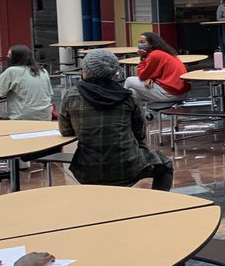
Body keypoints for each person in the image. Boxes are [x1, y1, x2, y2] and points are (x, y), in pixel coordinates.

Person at [59, 49, 174, 190]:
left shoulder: (71, 96)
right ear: (113, 73)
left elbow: (65, 130)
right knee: (166, 165)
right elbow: (140, 133)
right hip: (128, 167)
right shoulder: (129, 96)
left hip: (87, 169)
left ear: (86, 72)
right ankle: (159, 202)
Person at [0, 45, 54, 121]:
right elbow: (49, 93)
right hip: (45, 116)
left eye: (9, 55)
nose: (7, 57)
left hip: (22, 117)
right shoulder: (43, 71)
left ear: (16, 58)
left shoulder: (12, 71)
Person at [123, 33, 190, 104]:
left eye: (142, 42)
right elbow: (156, 72)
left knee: (129, 80)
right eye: (139, 42)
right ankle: (137, 109)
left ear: (151, 44)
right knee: (133, 92)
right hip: (181, 94)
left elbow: (142, 76)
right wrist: (150, 78)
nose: (139, 45)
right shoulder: (165, 53)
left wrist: (142, 58)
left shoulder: (154, 55)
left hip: (170, 94)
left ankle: (120, 105)